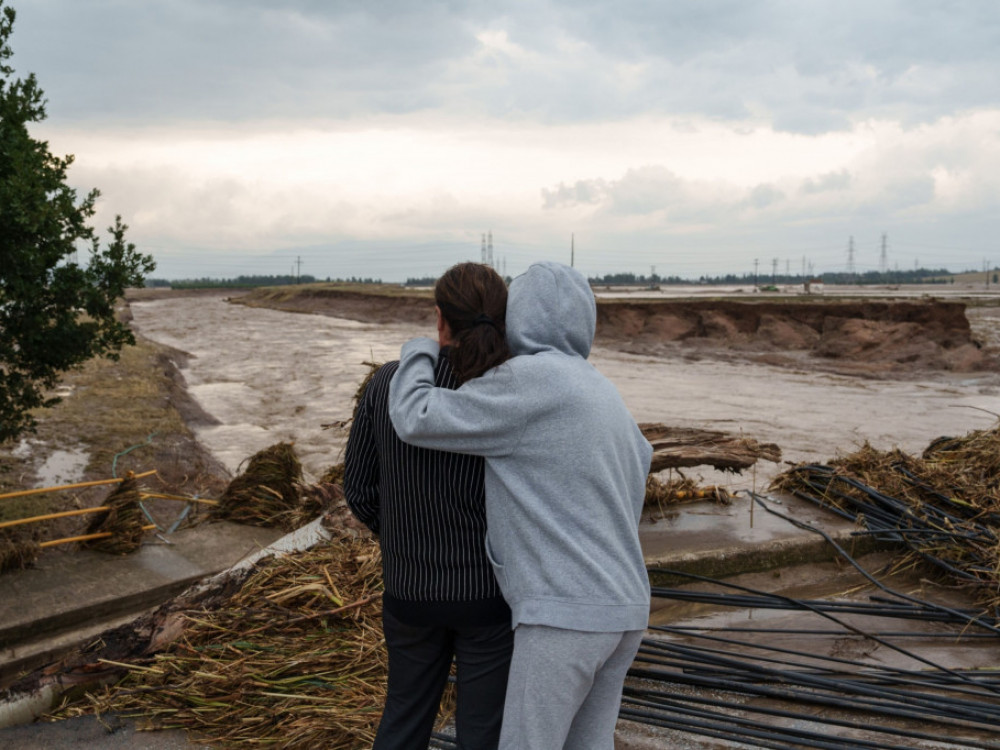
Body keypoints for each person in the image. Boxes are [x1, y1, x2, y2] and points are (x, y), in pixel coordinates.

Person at [388, 261, 652, 750]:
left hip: (563, 614)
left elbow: (415, 416)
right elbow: (641, 463)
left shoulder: (526, 383)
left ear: (519, 318)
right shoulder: (600, 388)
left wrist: (418, 351)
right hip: (626, 608)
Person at [344, 262, 514, 750]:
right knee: (483, 732)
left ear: (439, 317)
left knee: (403, 720)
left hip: (409, 591)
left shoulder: (385, 385)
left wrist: (403, 537)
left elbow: (358, 491)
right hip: (489, 595)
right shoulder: (509, 389)